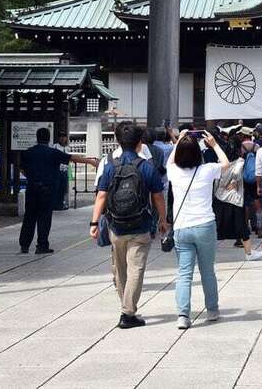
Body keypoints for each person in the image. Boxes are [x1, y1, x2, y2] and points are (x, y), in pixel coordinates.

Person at [89, 122, 167, 329]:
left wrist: (94, 222)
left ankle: (126, 307)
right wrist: (163, 220)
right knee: (136, 269)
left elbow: (101, 195)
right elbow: (158, 197)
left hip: (116, 225)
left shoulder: (109, 165)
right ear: (139, 142)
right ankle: (128, 312)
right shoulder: (146, 167)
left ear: (117, 142)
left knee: (121, 269)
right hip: (141, 225)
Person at [166, 130, 232, 329]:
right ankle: (212, 309)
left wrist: (179, 140)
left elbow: (169, 161)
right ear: (198, 152)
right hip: (205, 225)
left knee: (184, 273)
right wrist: (214, 144)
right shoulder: (207, 170)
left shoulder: (174, 171)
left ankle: (183, 315)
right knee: (207, 271)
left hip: (182, 227)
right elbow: (227, 165)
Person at [21, 127, 98, 254]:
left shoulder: (28, 152)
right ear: (48, 138)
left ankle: (24, 245)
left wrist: (31, 176)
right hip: (47, 189)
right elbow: (72, 158)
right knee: (44, 217)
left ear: (37, 137)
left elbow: (22, 169)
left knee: (29, 216)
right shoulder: (53, 153)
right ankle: (42, 245)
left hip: (32, 188)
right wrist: (90, 162)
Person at [213, 142, 262, 262]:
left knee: (215, 227)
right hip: (235, 199)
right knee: (241, 227)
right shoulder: (240, 162)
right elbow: (247, 176)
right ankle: (249, 253)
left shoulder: (217, 164)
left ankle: (207, 253)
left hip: (220, 198)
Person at [52, 133, 70, 210]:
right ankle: (55, 204)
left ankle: (61, 204)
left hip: (65, 171)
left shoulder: (67, 148)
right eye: (61, 137)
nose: (63, 139)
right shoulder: (54, 146)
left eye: (64, 137)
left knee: (63, 188)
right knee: (56, 188)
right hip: (57, 170)